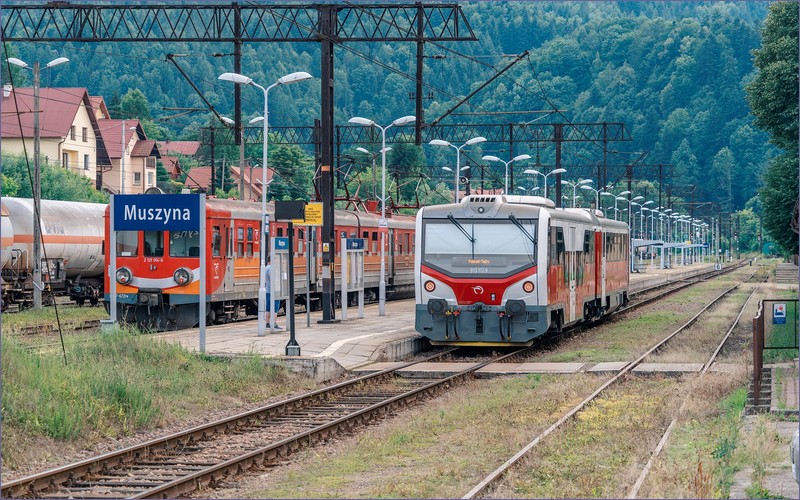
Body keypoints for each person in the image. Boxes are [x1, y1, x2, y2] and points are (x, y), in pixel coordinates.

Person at [265, 258, 282, 330]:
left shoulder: (266, 268)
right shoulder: (271, 268)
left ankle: (267, 323)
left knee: (268, 308)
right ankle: (274, 323)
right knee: (275, 308)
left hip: (268, 291)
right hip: (274, 291)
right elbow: (274, 280)